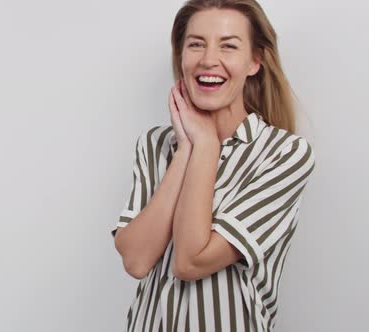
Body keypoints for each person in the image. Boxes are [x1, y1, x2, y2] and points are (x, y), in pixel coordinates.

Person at [111, 1, 316, 331]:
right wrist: (186, 149)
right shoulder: (156, 144)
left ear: (255, 61)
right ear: (181, 56)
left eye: (228, 46)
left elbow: (191, 262)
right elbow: (136, 260)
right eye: (195, 44)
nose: (208, 60)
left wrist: (206, 146)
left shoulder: (284, 154)